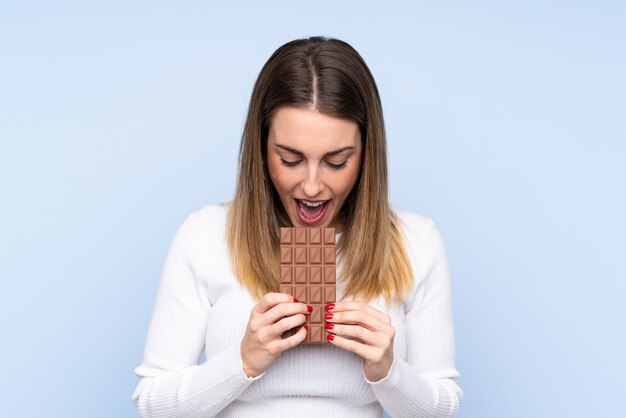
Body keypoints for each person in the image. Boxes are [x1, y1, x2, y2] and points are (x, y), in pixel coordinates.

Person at [132, 36, 463, 418]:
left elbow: (441, 409)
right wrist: (244, 361)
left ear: (367, 155)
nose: (310, 187)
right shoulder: (205, 235)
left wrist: (388, 371)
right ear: (261, 147)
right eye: (290, 159)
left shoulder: (416, 242)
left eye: (336, 162)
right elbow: (154, 405)